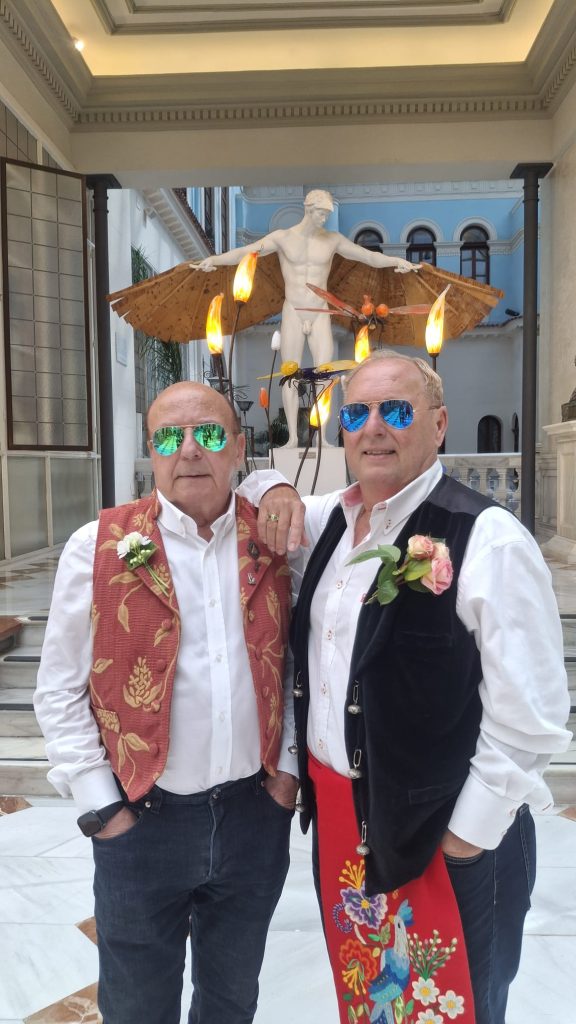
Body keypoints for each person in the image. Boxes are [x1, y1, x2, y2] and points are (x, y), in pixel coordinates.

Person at [257, 351, 572, 1024]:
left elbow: (534, 712)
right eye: (355, 414)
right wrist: (275, 486)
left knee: (453, 1006)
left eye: (397, 411)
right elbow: (252, 492)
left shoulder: (488, 538)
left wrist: (466, 838)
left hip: (447, 833)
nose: (374, 428)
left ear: (439, 424)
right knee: (371, 999)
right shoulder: (329, 522)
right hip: (343, 825)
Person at [34, 381, 299, 1024]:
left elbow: (296, 665)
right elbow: (60, 688)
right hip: (140, 821)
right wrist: (103, 809)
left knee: (231, 1001)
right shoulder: (94, 545)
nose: (189, 450)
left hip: (252, 817)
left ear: (238, 447)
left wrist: (286, 777)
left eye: (208, 433)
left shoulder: (276, 538)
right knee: (136, 1007)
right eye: (168, 437)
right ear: (151, 451)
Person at [199, 189, 416, 447]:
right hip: (293, 309)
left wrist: (395, 261)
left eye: (326, 215)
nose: (324, 219)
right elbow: (247, 252)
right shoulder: (282, 238)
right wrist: (215, 260)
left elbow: (367, 256)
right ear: (308, 208)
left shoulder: (332, 240)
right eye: (320, 213)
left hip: (320, 311)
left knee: (325, 375)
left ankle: (321, 438)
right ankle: (292, 438)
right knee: (289, 374)